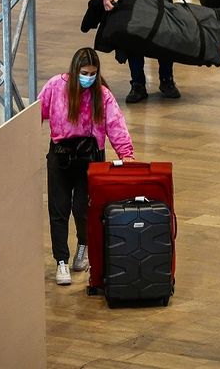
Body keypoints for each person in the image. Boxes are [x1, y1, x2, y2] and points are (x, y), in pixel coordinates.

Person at [38, 47, 135, 286]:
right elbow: (36, 113)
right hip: (60, 157)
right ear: (74, 70)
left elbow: (115, 124)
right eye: (84, 72)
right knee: (58, 210)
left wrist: (126, 154)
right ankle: (61, 260)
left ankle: (83, 245)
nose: (88, 77)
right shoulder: (55, 86)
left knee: (83, 209)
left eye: (93, 73)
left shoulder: (102, 95)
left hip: (90, 158)